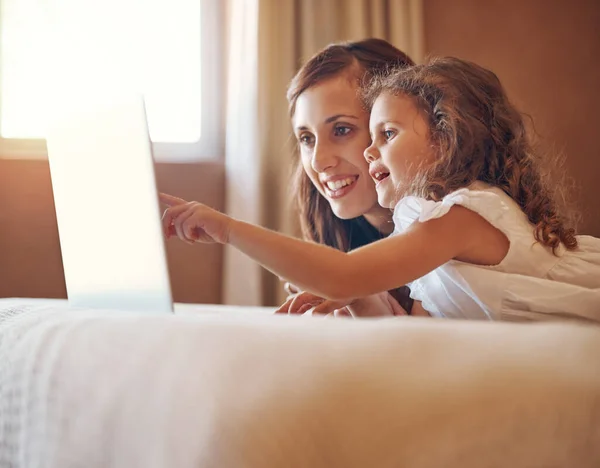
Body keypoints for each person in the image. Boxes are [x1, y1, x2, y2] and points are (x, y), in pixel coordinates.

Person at [160, 57, 600, 321]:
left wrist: (226, 228)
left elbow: (340, 273)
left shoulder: (464, 218)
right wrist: (364, 299)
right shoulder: (437, 242)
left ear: (446, 138)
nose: (370, 153)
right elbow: (423, 338)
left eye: (386, 134)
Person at [280, 38, 416, 316]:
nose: (318, 161)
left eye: (342, 130)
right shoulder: (336, 231)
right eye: (306, 138)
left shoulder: (453, 220)